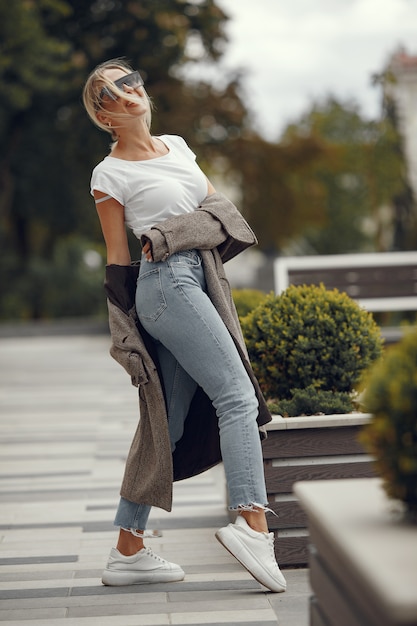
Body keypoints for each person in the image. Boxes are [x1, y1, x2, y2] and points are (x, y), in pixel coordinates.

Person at [82, 58, 286, 593]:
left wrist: (168, 233)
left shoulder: (179, 146)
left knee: (167, 421)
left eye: (132, 82)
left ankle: (128, 549)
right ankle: (252, 521)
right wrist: (126, 332)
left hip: (199, 277)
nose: (131, 93)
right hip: (162, 289)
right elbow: (119, 259)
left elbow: (224, 215)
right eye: (115, 91)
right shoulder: (110, 174)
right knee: (237, 396)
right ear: (105, 116)